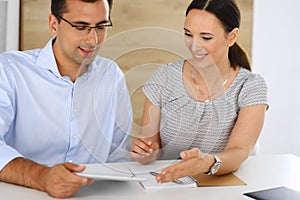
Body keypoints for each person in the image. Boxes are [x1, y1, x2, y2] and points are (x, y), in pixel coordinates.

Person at [0, 0, 132, 198]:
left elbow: (120, 154)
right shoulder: (10, 70)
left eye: (101, 26)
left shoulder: (111, 75)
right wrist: (42, 177)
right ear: (54, 24)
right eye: (81, 27)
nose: (93, 40)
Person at [131, 0, 268, 184]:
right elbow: (150, 142)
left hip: (220, 189)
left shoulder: (250, 85)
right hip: (165, 187)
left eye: (206, 37)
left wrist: (207, 163)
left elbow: (239, 151)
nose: (194, 46)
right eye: (188, 34)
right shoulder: (165, 76)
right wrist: (146, 152)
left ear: (232, 36)